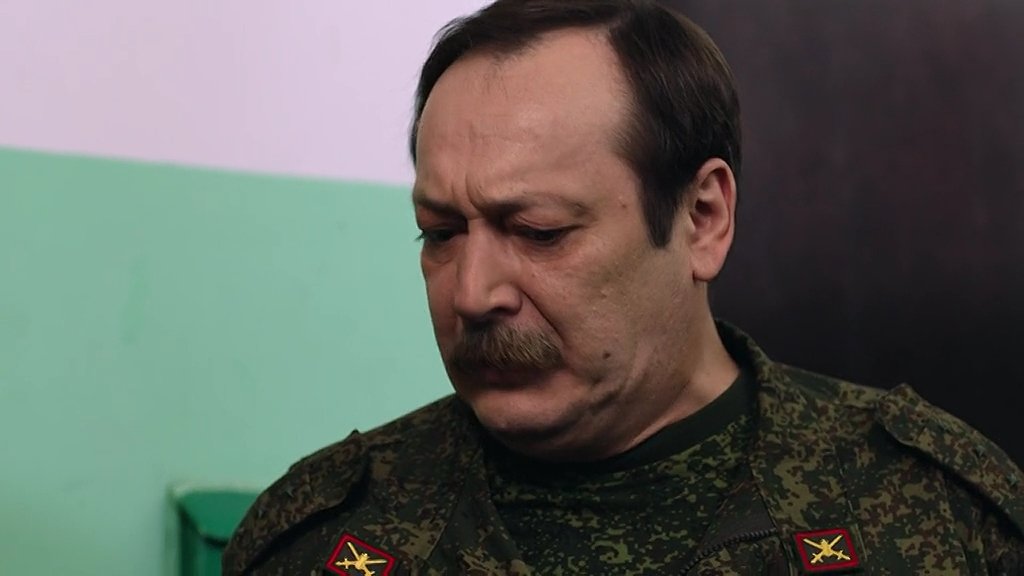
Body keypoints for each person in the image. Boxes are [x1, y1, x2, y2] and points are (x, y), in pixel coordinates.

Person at [223, 1, 1024, 574]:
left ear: (702, 219)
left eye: (539, 231)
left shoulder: (934, 515)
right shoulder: (322, 538)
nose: (472, 293)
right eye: (441, 233)